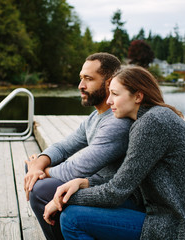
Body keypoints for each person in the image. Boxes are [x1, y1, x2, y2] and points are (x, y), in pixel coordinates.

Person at [44, 66, 185, 240]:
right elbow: (126, 180)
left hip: (180, 228)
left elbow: (115, 193)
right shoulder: (152, 118)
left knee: (72, 219)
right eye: (109, 93)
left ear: (138, 96)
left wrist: (62, 200)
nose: (109, 101)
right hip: (169, 214)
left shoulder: (151, 124)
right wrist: (84, 183)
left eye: (115, 94)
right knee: (74, 213)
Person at [24, 53, 134, 240]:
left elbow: (77, 169)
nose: (80, 86)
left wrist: (42, 171)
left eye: (88, 79)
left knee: (41, 189)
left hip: (114, 194)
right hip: (94, 183)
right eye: (81, 78)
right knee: (32, 169)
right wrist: (38, 163)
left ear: (109, 83)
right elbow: (63, 147)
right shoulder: (95, 117)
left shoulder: (117, 122)